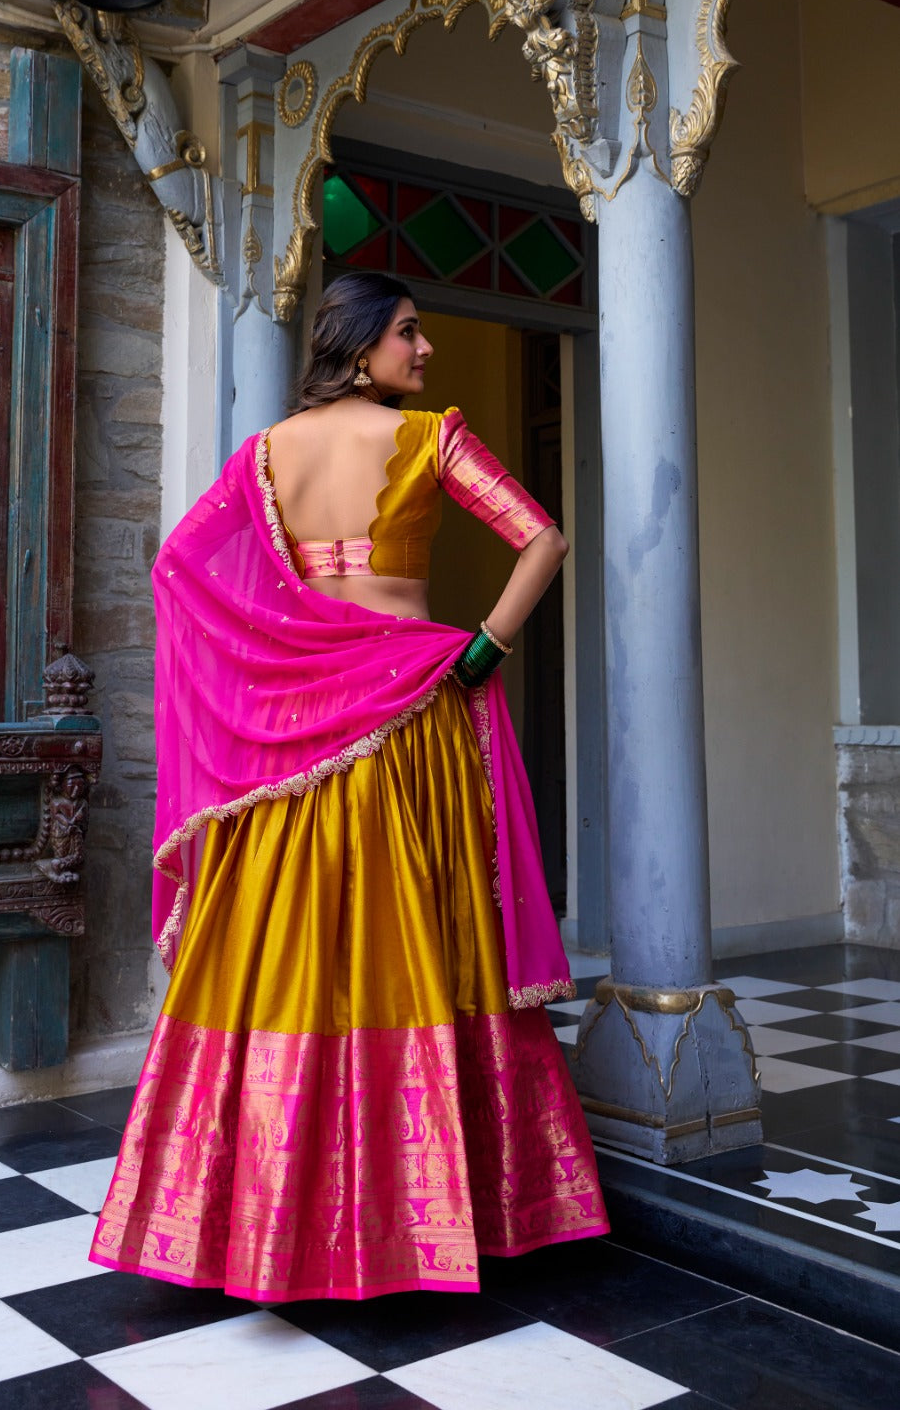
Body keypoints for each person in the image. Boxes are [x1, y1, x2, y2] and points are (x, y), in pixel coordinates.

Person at [89, 272, 608, 1301]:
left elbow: (178, 570)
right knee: (412, 942)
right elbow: (541, 537)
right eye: (410, 334)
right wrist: (484, 647)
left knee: (281, 954)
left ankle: (257, 1221)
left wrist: (268, 659)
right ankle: (427, 1214)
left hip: (291, 733)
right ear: (363, 342)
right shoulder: (429, 439)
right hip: (410, 716)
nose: (425, 352)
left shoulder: (265, 453)